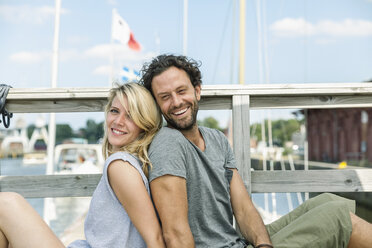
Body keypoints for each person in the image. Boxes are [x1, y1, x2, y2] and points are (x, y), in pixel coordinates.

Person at [140, 54, 372, 248]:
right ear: (157, 104)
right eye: (165, 97)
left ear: (197, 91)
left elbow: (243, 208)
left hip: (236, 243)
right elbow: (175, 234)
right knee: (336, 218)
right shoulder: (168, 144)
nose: (177, 102)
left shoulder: (216, 138)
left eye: (182, 91)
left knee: (327, 201)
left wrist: (263, 245)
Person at [0, 83, 165, 248]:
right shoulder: (129, 163)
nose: (118, 121)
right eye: (114, 111)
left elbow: (154, 239)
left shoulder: (121, 165)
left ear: (144, 124)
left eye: (130, 115)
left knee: (6, 203)